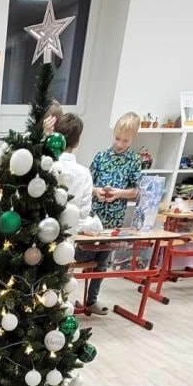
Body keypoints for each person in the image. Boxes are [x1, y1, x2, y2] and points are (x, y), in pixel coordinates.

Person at [83, 111, 142, 315]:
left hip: (114, 219)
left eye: (125, 140)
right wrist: (96, 191)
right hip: (93, 217)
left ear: (133, 138)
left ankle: (92, 300)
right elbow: (87, 184)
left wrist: (118, 194)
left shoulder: (134, 160)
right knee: (84, 255)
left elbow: (136, 191)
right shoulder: (101, 157)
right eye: (117, 138)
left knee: (102, 262)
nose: (119, 143)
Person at [54, 112, 94, 223]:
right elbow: (84, 213)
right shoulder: (84, 173)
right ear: (77, 142)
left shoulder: (47, 165)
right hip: (72, 229)